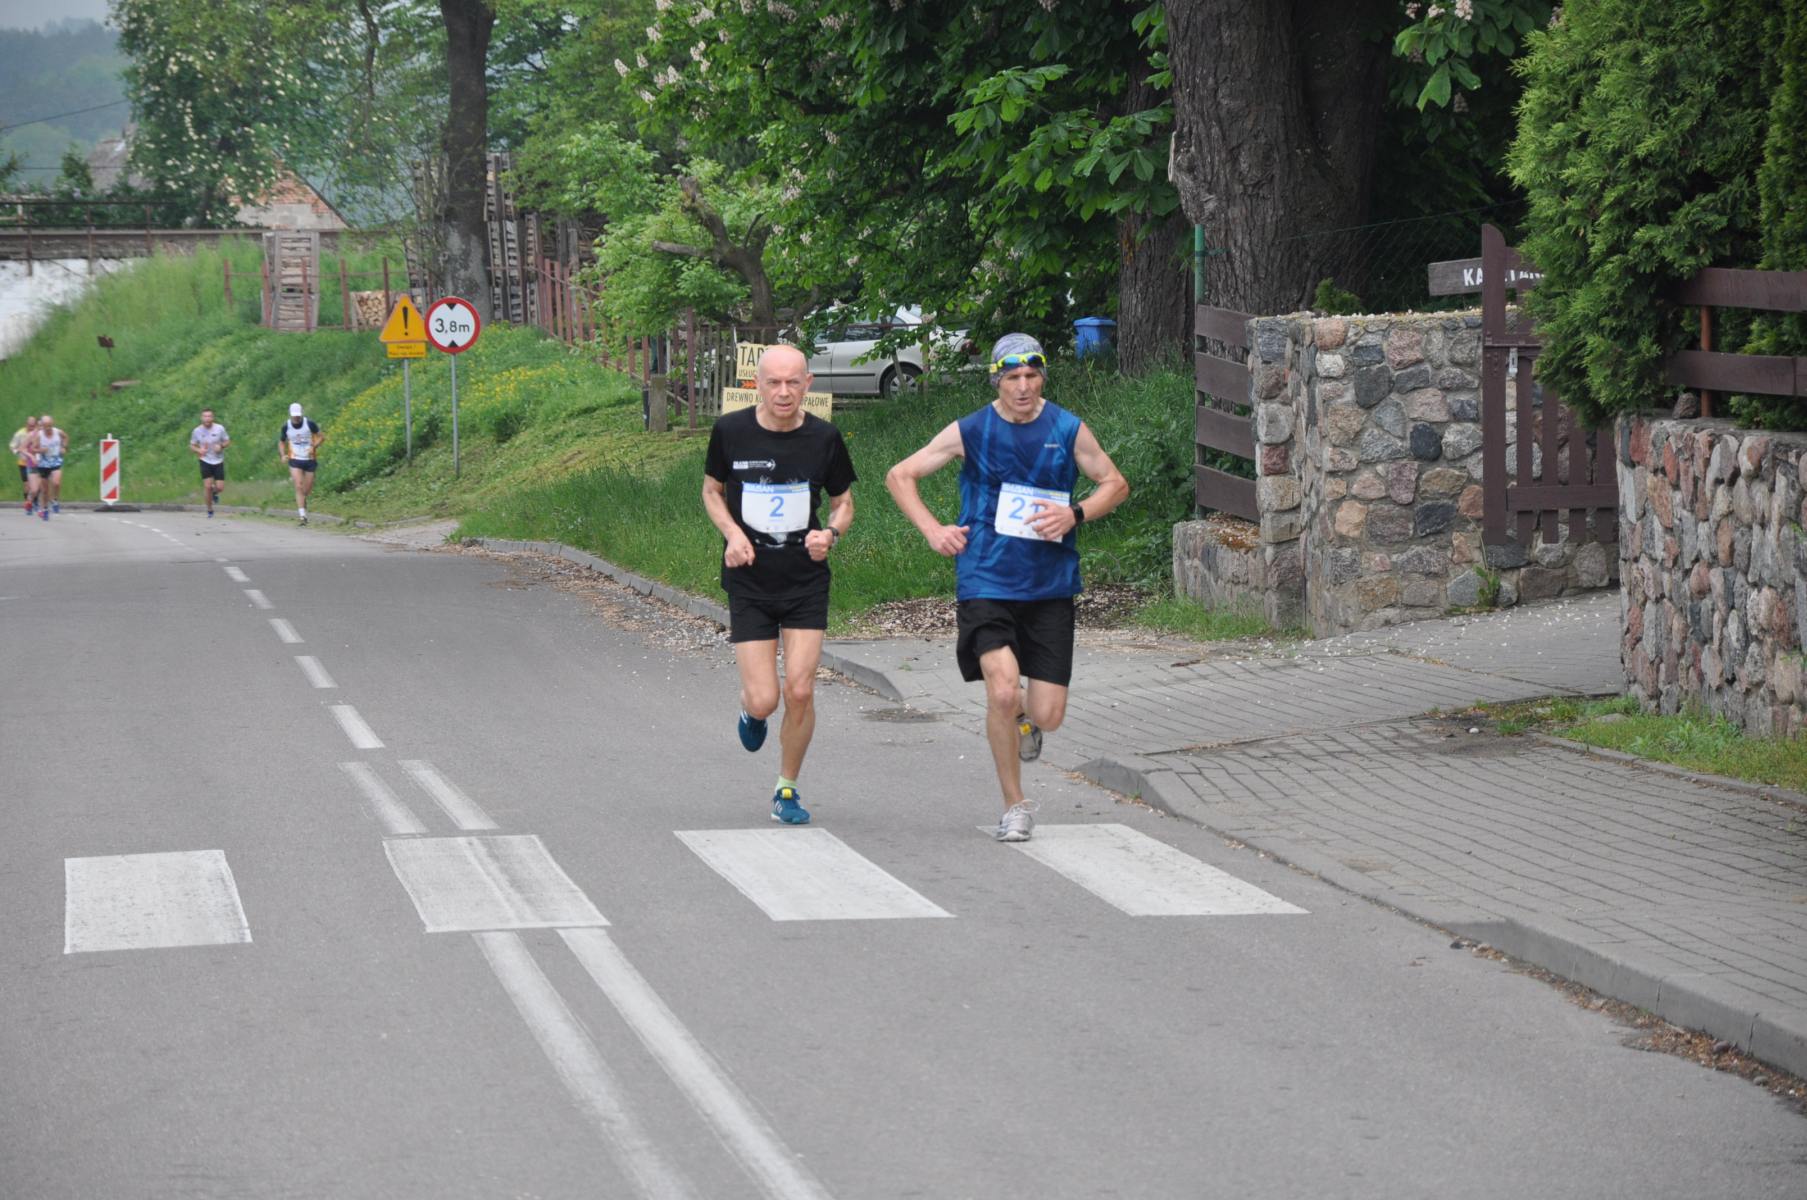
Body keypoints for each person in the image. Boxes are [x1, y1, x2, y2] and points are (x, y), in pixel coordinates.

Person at [885, 333, 1129, 842]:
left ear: (1042, 377)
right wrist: (933, 530)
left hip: (1049, 584)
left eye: (1031, 376)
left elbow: (1115, 483)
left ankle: (1026, 720)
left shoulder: (1066, 428)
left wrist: (1075, 513)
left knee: (1048, 715)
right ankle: (1015, 806)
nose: (1023, 387)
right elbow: (900, 475)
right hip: (986, 579)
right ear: (996, 380)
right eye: (1012, 377)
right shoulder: (972, 429)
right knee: (1001, 690)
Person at [702, 345, 856, 825]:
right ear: (757, 385)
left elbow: (844, 503)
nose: (784, 392)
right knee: (766, 698)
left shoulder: (825, 438)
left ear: (808, 384)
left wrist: (830, 535)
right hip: (750, 581)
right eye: (774, 382)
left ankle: (786, 788)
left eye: (793, 382)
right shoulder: (731, 431)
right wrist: (732, 535)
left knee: (801, 691)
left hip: (805, 580)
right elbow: (712, 491)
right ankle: (751, 711)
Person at [278, 402, 323, 525]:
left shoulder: (310, 423)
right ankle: (302, 516)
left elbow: (321, 437)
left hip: (309, 460)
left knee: (306, 490)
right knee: (298, 485)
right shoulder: (286, 426)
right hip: (295, 459)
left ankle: (303, 500)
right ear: (290, 415)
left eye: (298, 415)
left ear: (301, 414)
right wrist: (282, 455)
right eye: (294, 416)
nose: (296, 418)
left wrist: (314, 446)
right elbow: (281, 442)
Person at [190, 408, 231, 517]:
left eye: (209, 416)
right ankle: (210, 510)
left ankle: (214, 493)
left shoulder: (219, 428)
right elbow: (192, 446)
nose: (207, 419)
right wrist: (199, 450)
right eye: (205, 416)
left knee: (220, 487)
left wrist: (221, 446)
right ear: (201, 418)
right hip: (205, 460)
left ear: (213, 418)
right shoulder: (197, 431)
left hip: (218, 460)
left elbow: (227, 441)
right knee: (207, 486)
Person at [27, 414, 68, 522]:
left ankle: (55, 501)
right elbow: (33, 448)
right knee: (45, 490)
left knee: (56, 483)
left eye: (50, 425)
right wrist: (41, 450)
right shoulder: (39, 435)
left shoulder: (58, 432)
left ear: (52, 424)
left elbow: (65, 437)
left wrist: (63, 447)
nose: (49, 428)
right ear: (43, 426)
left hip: (55, 461)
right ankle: (45, 509)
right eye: (46, 426)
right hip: (43, 464)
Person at [11, 415, 37, 513]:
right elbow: (12, 446)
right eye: (30, 425)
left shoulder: (37, 434)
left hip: (35, 463)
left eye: (33, 426)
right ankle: (28, 503)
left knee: (35, 485)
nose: (31, 428)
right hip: (23, 463)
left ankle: (35, 502)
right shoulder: (20, 434)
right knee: (27, 484)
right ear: (26, 424)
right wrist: (19, 452)